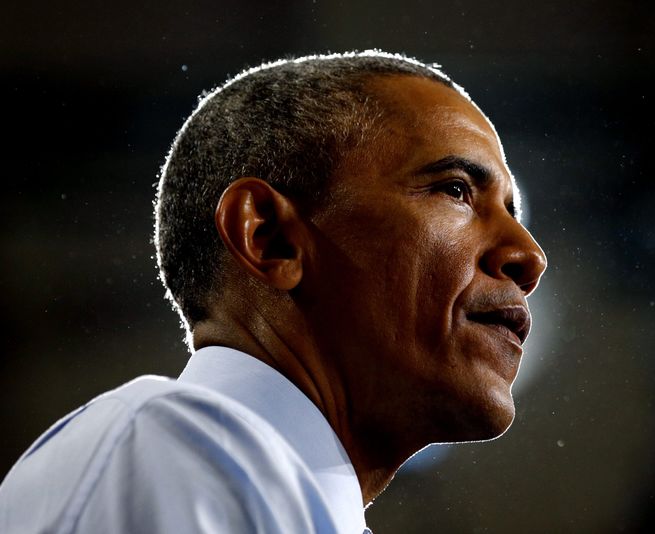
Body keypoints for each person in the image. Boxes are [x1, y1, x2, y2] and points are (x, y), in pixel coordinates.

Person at [0, 50, 546, 533]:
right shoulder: (174, 451)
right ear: (270, 238)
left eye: (511, 211)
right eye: (455, 190)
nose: (529, 256)